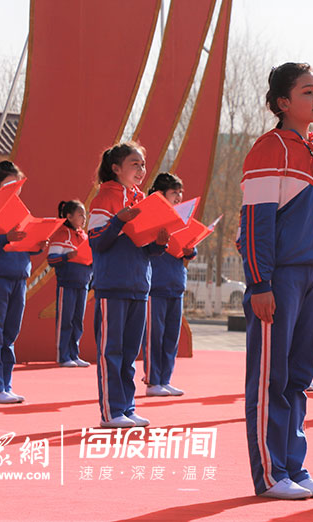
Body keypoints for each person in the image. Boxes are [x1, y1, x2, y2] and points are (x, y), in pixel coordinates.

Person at [238, 62, 313, 500]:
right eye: (306, 92)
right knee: (271, 378)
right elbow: (255, 224)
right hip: (279, 278)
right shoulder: (269, 148)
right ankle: (269, 472)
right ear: (283, 102)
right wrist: (259, 283)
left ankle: (294, 467)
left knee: (299, 375)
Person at [89, 142, 169, 429]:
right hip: (113, 285)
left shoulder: (141, 199)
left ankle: (127, 407)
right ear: (116, 168)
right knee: (111, 351)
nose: (141, 170)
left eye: (143, 164)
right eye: (135, 164)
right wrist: (117, 222)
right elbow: (97, 242)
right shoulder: (104, 199)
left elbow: (145, 249)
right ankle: (111, 412)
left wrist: (159, 244)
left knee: (129, 355)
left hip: (139, 285)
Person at [0, 161, 46, 404]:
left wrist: (37, 244)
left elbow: (24, 244)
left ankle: (6, 384)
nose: (15, 190)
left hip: (19, 275)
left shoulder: (21, 210)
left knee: (10, 334)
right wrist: (5, 238)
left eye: (18, 185)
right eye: (9, 185)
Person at [143, 173, 195, 397]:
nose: (179, 197)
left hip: (176, 283)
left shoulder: (181, 218)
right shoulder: (150, 215)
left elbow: (190, 245)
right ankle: (153, 380)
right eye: (174, 192)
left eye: (180, 192)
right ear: (160, 194)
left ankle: (165, 379)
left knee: (171, 336)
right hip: (156, 284)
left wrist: (190, 249)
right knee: (155, 335)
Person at [48, 199, 93, 367]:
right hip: (66, 283)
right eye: (80, 214)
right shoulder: (61, 234)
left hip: (83, 283)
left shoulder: (84, 235)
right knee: (65, 319)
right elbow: (52, 259)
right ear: (69, 216)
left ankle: (74, 353)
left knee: (77, 320)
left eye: (85, 215)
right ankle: (63, 355)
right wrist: (67, 256)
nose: (84, 218)